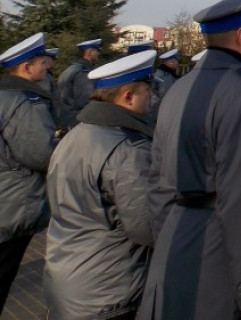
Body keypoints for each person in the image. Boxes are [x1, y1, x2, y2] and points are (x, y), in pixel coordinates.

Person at [139, 0, 241, 320]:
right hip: (217, 256)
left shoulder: (180, 87)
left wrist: (168, 248)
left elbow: (158, 185)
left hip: (175, 242)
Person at [44, 50, 157, 319]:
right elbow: (147, 228)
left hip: (68, 274)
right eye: (147, 92)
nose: (151, 99)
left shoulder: (77, 134)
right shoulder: (129, 149)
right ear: (128, 97)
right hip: (108, 287)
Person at [0, 33, 57, 312]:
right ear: (26, 67)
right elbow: (41, 154)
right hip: (11, 208)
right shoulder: (24, 101)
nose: (47, 66)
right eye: (42, 62)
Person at [56, 38, 101, 130]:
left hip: (67, 118)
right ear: (90, 52)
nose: (98, 54)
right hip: (77, 121)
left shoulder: (72, 68)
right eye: (97, 51)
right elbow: (84, 100)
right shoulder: (82, 71)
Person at [149, 48, 181, 119]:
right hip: (162, 112)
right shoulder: (165, 76)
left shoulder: (167, 73)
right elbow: (166, 95)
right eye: (176, 61)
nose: (178, 63)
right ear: (170, 62)